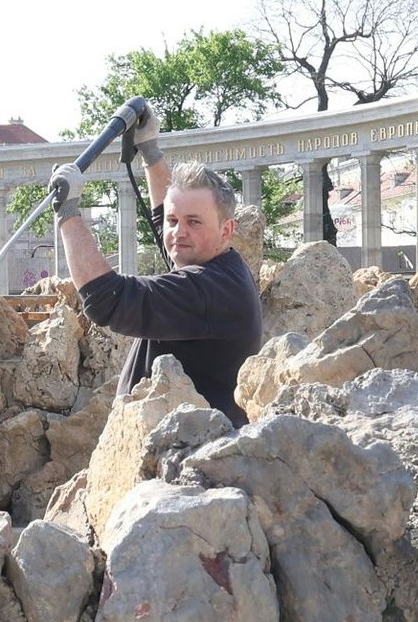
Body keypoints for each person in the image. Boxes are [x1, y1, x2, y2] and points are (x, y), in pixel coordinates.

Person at [50, 149, 264, 425]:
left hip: (187, 455)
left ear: (226, 230)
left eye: (194, 222)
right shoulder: (216, 266)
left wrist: (67, 212)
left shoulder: (209, 289)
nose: (178, 232)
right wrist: (150, 151)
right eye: (174, 221)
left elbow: (107, 300)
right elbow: (163, 216)